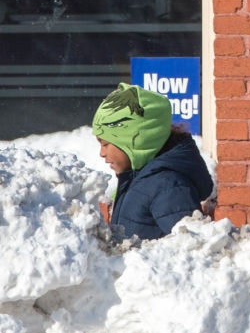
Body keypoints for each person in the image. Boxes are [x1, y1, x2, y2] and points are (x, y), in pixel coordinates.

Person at [92, 83, 214, 241]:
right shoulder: (139, 180)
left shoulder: (168, 187)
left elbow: (189, 249)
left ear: (135, 141)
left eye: (105, 144)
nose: (102, 153)